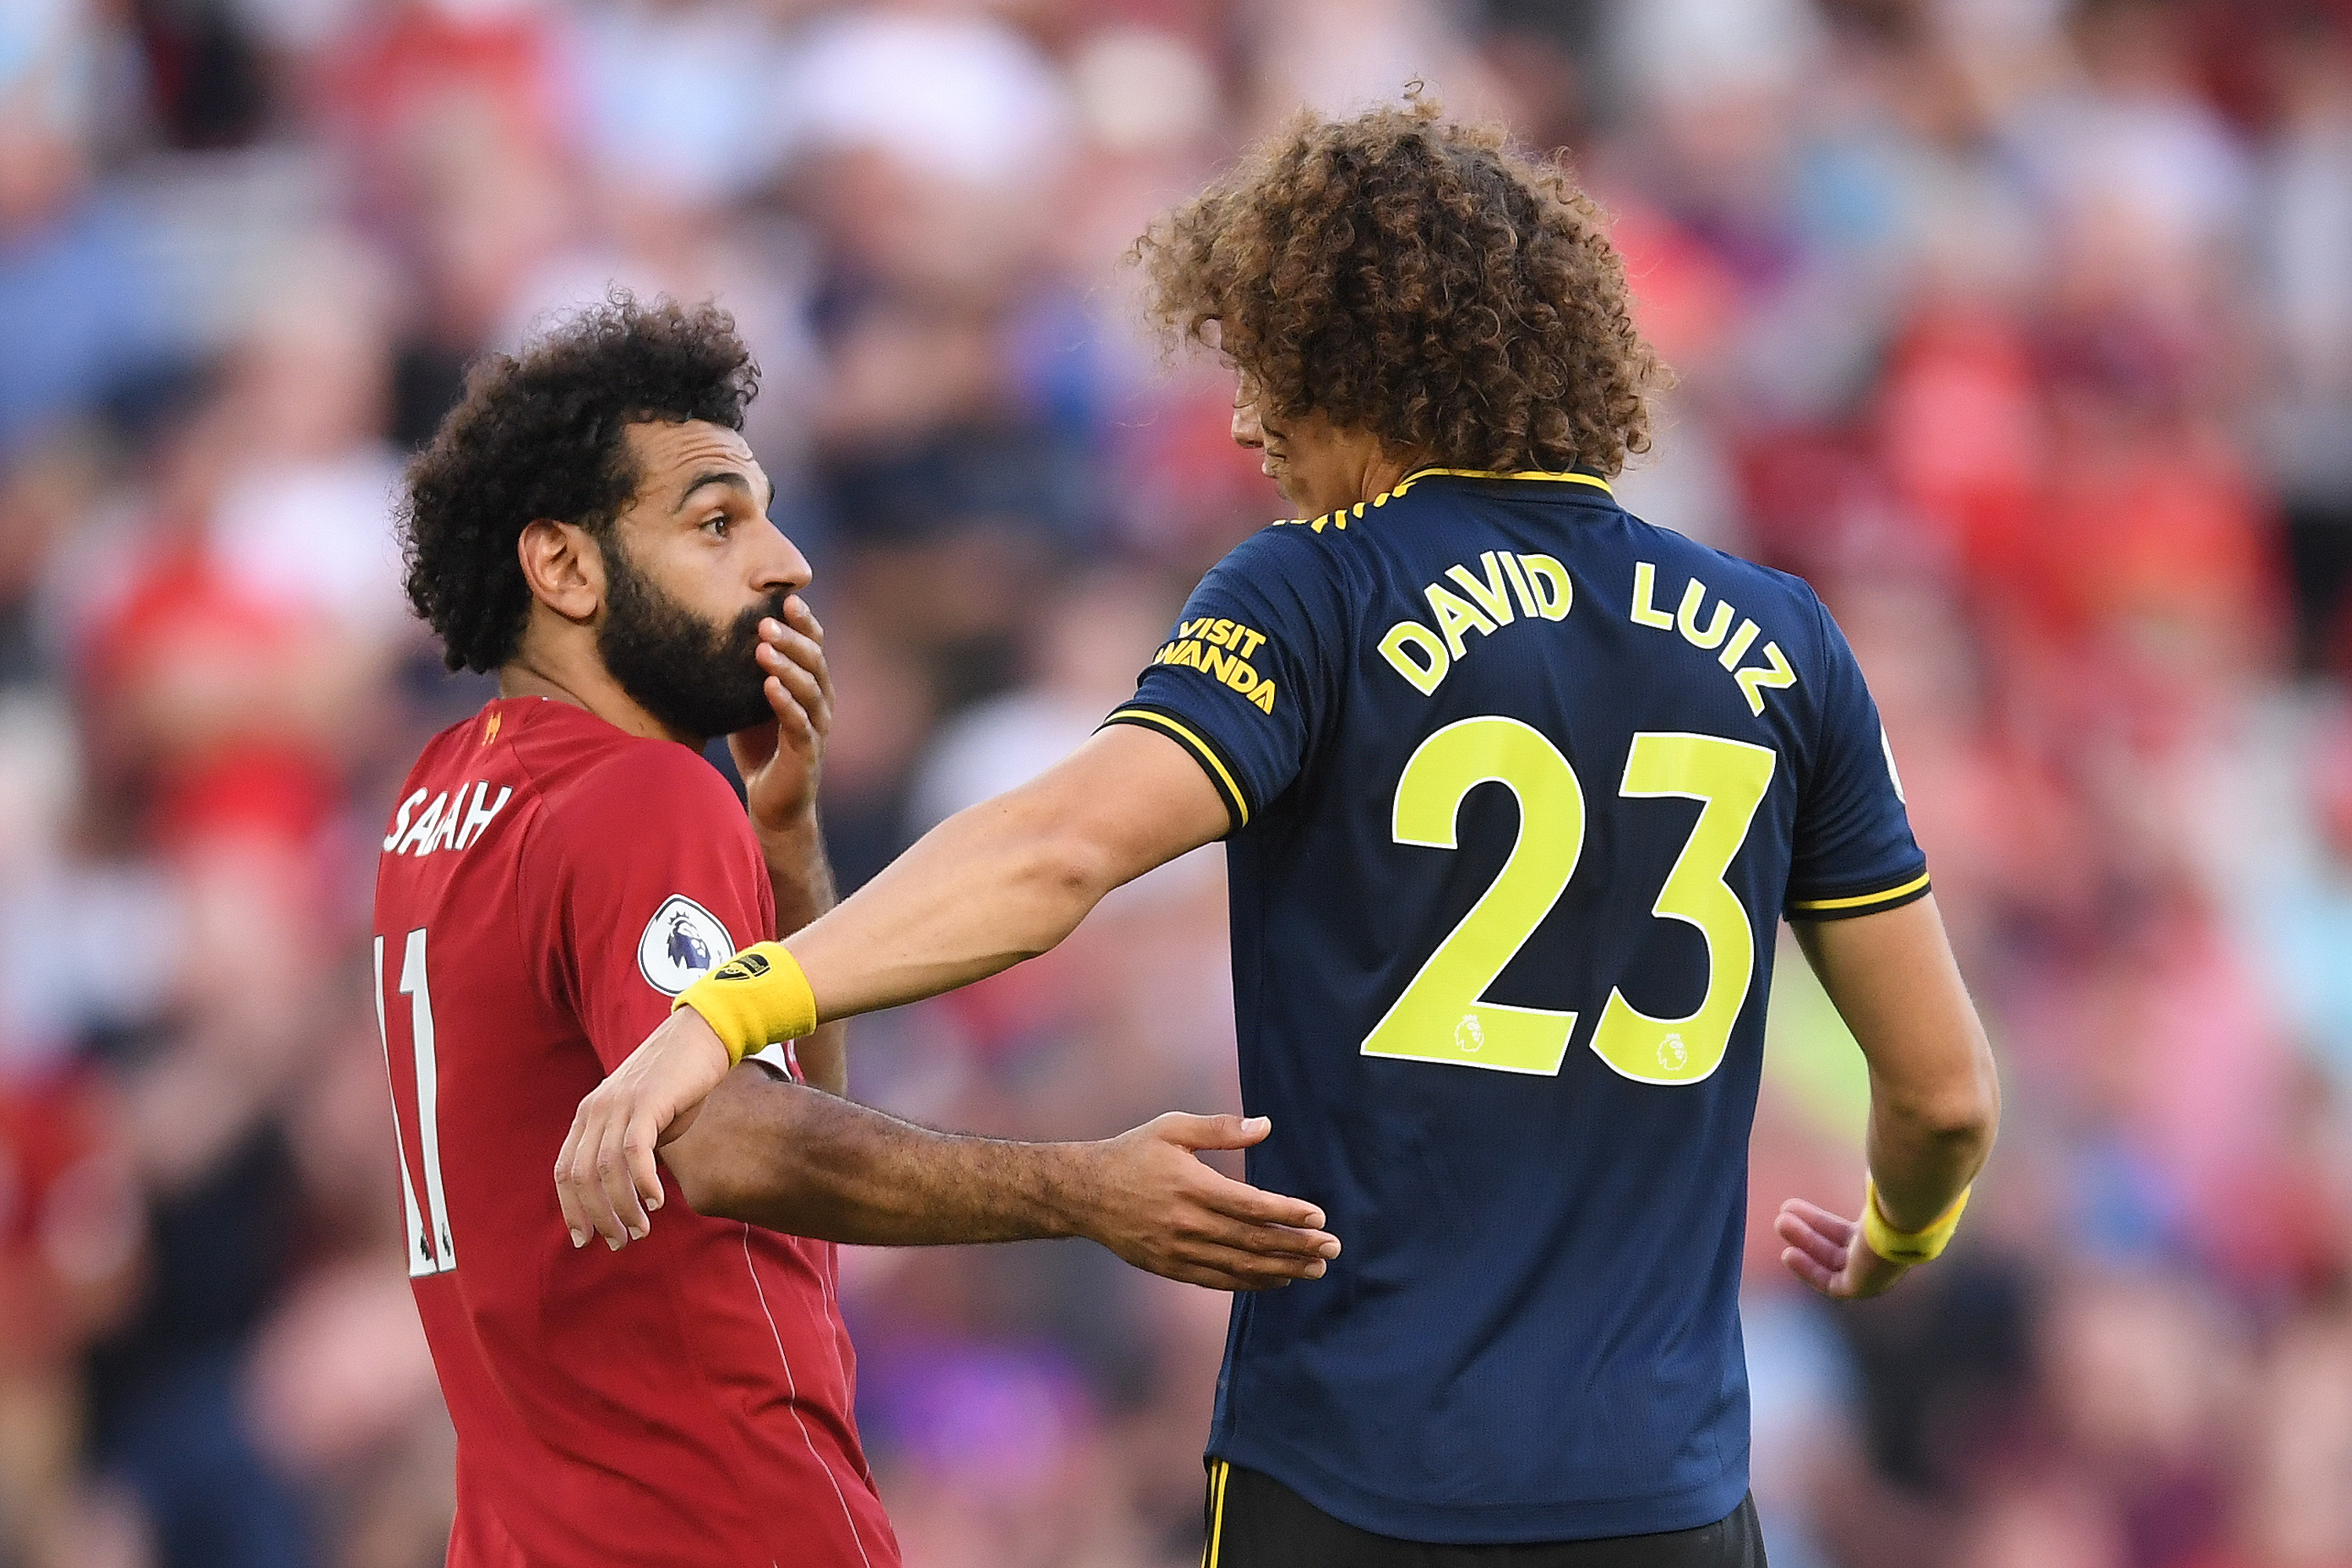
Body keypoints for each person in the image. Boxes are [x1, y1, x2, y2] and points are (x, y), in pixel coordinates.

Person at [559, 100, 2000, 1567]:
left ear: (1359, 361)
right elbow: (1946, 1095)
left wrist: (732, 1007)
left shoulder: (1320, 591)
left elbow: (1059, 852)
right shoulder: (1784, 640)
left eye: (1268, 372)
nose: (1249, 423)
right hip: (1668, 1500)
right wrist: (1897, 1232)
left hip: (1355, 1479)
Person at [376, 295, 1339, 1568]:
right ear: (562, 566)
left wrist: (785, 854)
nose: (786, 561)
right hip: (721, 1520)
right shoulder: (640, 793)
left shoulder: (439, 797)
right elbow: (722, 1143)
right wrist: (1082, 1189)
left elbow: (758, 1163)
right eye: (716, 523)